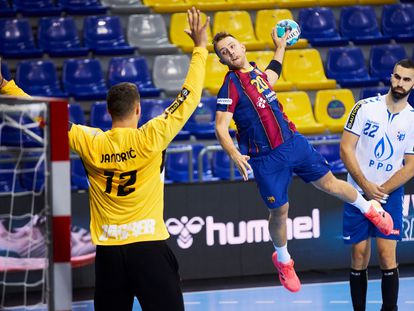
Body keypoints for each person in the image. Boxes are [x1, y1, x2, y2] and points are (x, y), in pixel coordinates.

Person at [0, 7, 209, 311]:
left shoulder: (89, 140)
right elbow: (188, 98)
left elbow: (42, 116)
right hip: (149, 249)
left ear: (109, 113)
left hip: (109, 255)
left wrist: (6, 85)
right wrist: (200, 49)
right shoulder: (151, 136)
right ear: (137, 110)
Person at [213, 31, 394, 293]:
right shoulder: (230, 85)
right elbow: (221, 127)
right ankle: (284, 261)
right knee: (280, 211)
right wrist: (233, 153)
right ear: (222, 60)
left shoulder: (254, 72)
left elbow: (271, 76)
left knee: (331, 183)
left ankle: (370, 209)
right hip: (265, 159)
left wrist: (280, 47)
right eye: (224, 52)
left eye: (231, 46)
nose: (230, 52)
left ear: (242, 46)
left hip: (293, 142)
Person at [340, 59, 414, 311]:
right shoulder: (364, 107)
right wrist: (365, 185)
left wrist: (381, 190)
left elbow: (411, 166)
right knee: (359, 255)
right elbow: (345, 149)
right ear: (391, 77)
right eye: (397, 77)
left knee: (386, 254)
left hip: (389, 194)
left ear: (413, 84)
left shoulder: (413, 120)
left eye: (406, 79)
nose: (400, 83)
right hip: (358, 192)